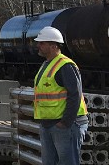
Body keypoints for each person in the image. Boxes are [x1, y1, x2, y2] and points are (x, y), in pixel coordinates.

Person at [33, 26, 88, 165]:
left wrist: (65, 123)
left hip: (65, 125)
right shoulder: (46, 64)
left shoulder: (65, 66)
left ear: (53, 46)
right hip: (49, 124)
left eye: (42, 43)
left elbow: (75, 95)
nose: (38, 46)